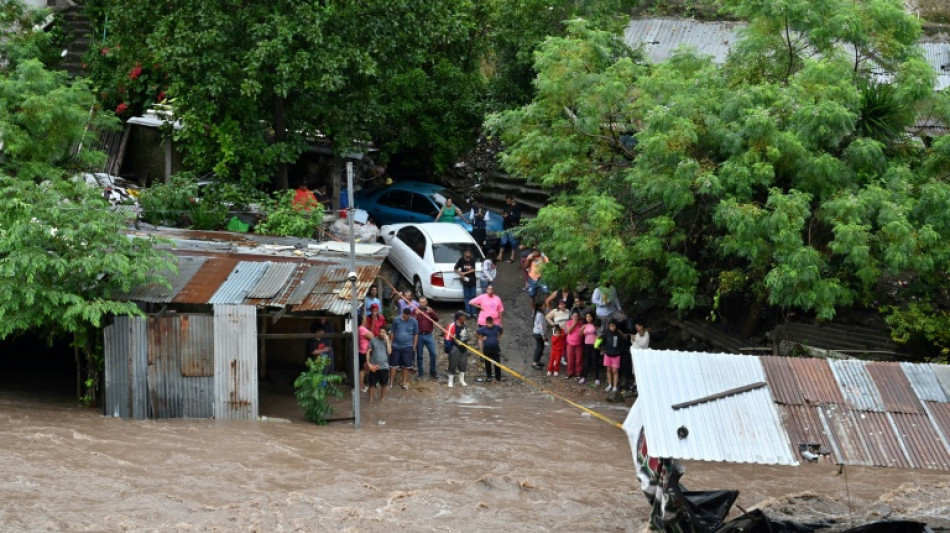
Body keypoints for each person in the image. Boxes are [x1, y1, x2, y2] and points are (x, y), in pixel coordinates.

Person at [389, 306, 418, 390]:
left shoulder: (414, 321)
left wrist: (414, 346)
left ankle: (404, 383)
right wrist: (391, 344)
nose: (406, 318)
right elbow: (393, 332)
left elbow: (415, 334)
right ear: (403, 314)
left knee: (406, 366)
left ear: (410, 315)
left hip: (408, 346)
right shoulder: (396, 320)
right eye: (405, 316)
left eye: (408, 317)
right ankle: (391, 383)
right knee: (393, 365)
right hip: (396, 345)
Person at [413, 297, 440, 380]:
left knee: (433, 353)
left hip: (428, 335)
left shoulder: (429, 310)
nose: (422, 304)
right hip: (419, 335)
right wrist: (416, 315)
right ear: (418, 302)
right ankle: (420, 374)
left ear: (426, 302)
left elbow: (437, 319)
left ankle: (433, 371)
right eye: (421, 302)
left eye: (424, 302)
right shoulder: (415, 310)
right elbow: (411, 321)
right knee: (420, 356)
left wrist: (432, 313)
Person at [444, 311, 470, 388]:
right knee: (453, 364)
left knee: (463, 363)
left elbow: (465, 337)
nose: (465, 318)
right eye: (464, 317)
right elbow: (447, 338)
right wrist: (449, 349)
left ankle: (461, 380)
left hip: (464, 347)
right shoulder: (452, 326)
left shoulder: (464, 325)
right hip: (454, 347)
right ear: (459, 318)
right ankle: (450, 380)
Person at [365, 326, 391, 403]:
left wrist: (387, 340)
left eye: (383, 332)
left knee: (384, 384)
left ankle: (382, 399)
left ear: (386, 334)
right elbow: (368, 351)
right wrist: (368, 363)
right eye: (380, 331)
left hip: (384, 367)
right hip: (374, 366)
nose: (381, 333)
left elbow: (389, 352)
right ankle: (370, 399)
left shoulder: (387, 341)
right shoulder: (373, 340)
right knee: (372, 384)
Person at [476, 316, 504, 383]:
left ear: (493, 322)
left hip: (495, 348)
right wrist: (481, 338)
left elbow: (501, 330)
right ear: (486, 323)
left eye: (491, 323)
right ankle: (489, 376)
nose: (490, 325)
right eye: (488, 323)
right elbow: (475, 333)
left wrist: (499, 337)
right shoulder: (483, 329)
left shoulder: (497, 327)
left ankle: (498, 377)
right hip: (487, 349)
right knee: (487, 363)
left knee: (497, 363)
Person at [602, 320, 627, 394]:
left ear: (616, 326)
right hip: (608, 354)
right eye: (610, 326)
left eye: (613, 326)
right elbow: (603, 342)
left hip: (616, 355)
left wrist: (619, 352)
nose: (612, 327)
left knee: (615, 371)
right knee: (608, 370)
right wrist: (605, 350)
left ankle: (615, 386)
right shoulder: (606, 333)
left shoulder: (618, 334)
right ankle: (610, 384)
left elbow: (622, 344)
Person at [497, 195, 522, 262]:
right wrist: (503, 215)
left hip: (512, 227)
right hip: (505, 226)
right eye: (506, 201)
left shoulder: (516, 207)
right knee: (503, 241)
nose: (507, 202)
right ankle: (500, 255)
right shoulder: (507, 206)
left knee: (513, 241)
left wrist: (508, 216)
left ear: (512, 200)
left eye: (508, 201)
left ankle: (512, 256)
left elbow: (517, 218)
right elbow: (503, 212)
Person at [454, 248, 478, 317]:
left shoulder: (472, 259)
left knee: (473, 296)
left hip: (472, 280)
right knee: (467, 297)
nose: (469, 254)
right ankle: (468, 312)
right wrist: (460, 273)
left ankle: (474, 312)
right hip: (465, 281)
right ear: (464, 253)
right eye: (467, 252)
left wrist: (464, 273)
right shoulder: (461, 260)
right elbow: (455, 268)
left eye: (469, 253)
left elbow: (473, 270)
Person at [579, 313, 600, 386]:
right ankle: (584, 376)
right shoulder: (585, 325)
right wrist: (582, 328)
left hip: (595, 345)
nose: (588, 317)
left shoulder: (595, 324)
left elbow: (599, 334)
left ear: (592, 317)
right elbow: (580, 334)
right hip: (587, 344)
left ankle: (597, 378)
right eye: (587, 316)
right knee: (587, 361)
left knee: (595, 361)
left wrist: (598, 343)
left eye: (590, 316)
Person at [356, 315, 375, 393]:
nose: (366, 320)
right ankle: (361, 386)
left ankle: (362, 385)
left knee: (363, 369)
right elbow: (372, 336)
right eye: (364, 319)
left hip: (362, 351)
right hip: (364, 351)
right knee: (363, 369)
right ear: (362, 321)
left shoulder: (360, 328)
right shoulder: (362, 329)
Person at [564, 311, 584, 379]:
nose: (575, 318)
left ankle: (578, 372)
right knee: (570, 359)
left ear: (579, 317)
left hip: (579, 343)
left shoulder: (581, 323)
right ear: (572, 317)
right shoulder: (568, 322)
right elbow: (569, 331)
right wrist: (574, 323)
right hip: (570, 343)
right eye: (574, 317)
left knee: (578, 358)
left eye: (577, 317)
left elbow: (583, 332)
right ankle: (570, 372)